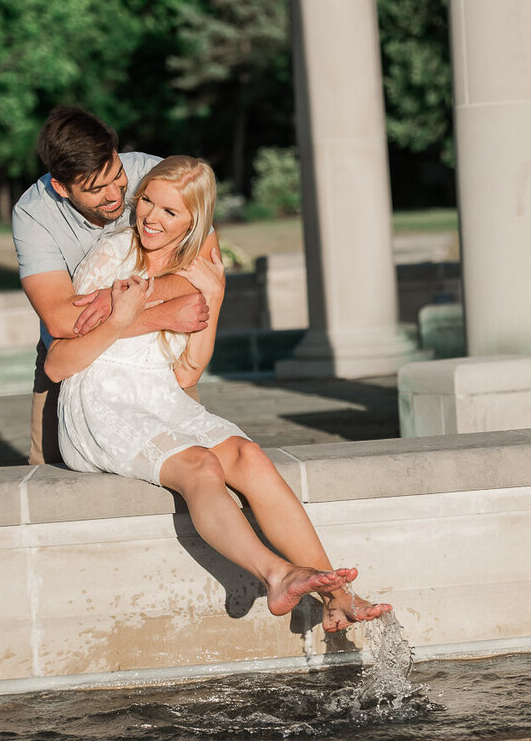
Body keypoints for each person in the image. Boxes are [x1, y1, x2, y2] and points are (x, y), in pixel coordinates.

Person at [44, 155, 390, 632]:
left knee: (248, 455)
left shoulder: (196, 268)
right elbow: (58, 364)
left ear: (194, 220)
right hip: (99, 400)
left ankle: (337, 596)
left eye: (170, 212)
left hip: (159, 394)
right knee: (201, 464)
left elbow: (186, 374)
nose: (150, 218)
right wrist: (123, 318)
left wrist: (216, 296)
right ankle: (277, 575)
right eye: (146, 201)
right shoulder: (112, 256)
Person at [13, 106, 212, 465]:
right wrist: (155, 312)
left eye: (116, 175)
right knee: (49, 473)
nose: (115, 196)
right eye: (95, 189)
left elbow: (206, 266)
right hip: (73, 359)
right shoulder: (33, 214)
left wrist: (114, 298)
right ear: (60, 187)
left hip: (155, 355)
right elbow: (61, 321)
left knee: (196, 459)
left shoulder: (153, 173)